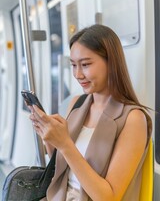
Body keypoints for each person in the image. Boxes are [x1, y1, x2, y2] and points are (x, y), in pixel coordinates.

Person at [29, 24, 152, 201]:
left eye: (85, 65)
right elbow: (62, 165)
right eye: (73, 65)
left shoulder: (133, 119)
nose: (78, 74)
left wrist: (65, 144)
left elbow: (109, 197)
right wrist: (48, 136)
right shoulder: (77, 104)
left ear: (111, 63)